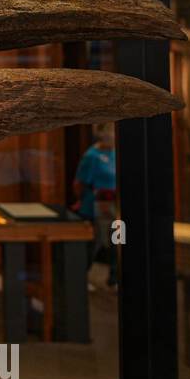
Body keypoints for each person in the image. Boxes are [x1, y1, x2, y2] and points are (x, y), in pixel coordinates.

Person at [73, 123, 118, 287]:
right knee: (95, 243)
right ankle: (80, 277)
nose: (112, 135)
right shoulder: (91, 156)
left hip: (115, 207)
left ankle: (115, 277)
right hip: (96, 206)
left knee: (119, 240)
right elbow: (80, 183)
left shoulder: (116, 153)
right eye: (109, 131)